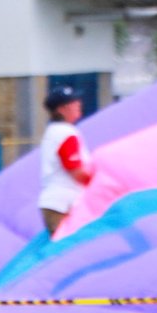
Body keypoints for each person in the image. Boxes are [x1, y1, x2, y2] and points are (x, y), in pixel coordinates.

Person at [39, 84, 93, 237]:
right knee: (71, 247)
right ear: (61, 109)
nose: (78, 104)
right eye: (73, 102)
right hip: (62, 205)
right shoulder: (66, 133)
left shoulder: (53, 131)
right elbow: (74, 169)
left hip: (54, 202)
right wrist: (97, 181)